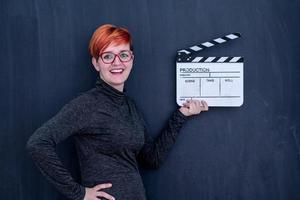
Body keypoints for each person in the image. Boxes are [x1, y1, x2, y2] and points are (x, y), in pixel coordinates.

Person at [26, 24, 209, 200]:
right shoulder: (87, 104)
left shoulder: (130, 106)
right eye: (107, 56)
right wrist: (79, 193)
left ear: (132, 59)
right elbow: (38, 143)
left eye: (123, 54)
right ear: (96, 63)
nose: (117, 62)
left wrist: (181, 115)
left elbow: (152, 159)